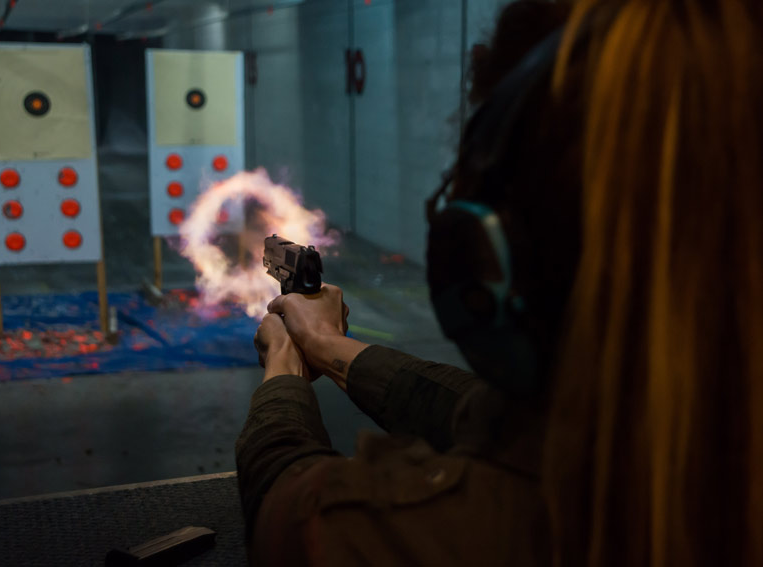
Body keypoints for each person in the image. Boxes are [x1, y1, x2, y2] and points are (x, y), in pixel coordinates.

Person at [236, 0, 763, 565]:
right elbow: (484, 416)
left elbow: (287, 508)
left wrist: (284, 368)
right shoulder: (694, 442)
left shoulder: (451, 535)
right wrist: (329, 345)